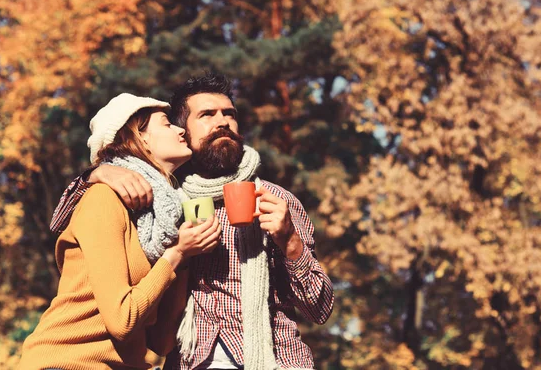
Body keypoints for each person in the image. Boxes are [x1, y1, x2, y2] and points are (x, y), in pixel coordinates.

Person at [49, 74, 334, 370]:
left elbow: (320, 309)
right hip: (189, 361)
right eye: (207, 115)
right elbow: (63, 224)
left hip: (275, 360)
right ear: (182, 131)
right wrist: (95, 174)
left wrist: (290, 242)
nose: (222, 121)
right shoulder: (163, 199)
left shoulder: (275, 200)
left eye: (229, 114)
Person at [19, 93, 221, 370]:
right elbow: (122, 322)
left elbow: (161, 343)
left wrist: (184, 258)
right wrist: (175, 255)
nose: (180, 129)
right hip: (65, 362)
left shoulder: (161, 218)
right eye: (166, 124)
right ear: (139, 137)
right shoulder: (104, 198)